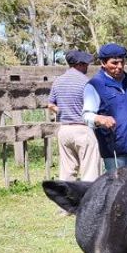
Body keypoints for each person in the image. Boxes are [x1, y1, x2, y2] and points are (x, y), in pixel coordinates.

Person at [82, 42, 127, 172]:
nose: (119, 66)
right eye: (114, 63)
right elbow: (86, 115)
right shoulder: (95, 85)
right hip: (116, 151)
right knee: (120, 189)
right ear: (103, 63)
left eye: (122, 62)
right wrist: (100, 119)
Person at [47, 49, 102, 182]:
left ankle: (66, 200)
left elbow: (50, 105)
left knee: (67, 171)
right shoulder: (87, 82)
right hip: (83, 129)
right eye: (85, 64)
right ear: (79, 64)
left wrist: (62, 111)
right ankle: (89, 199)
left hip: (64, 130)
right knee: (90, 172)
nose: (87, 67)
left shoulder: (58, 81)